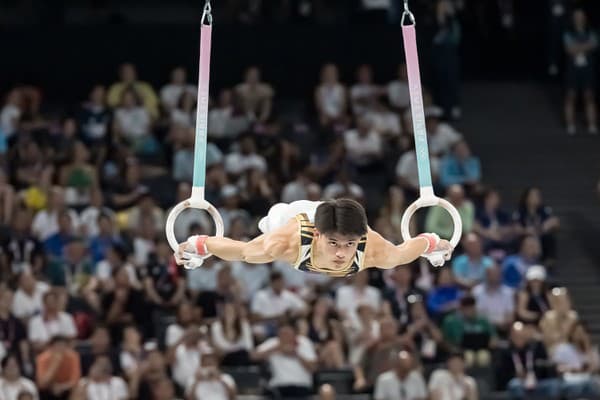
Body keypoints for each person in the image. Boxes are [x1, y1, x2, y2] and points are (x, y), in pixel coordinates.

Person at [176, 198, 454, 277]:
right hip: (292, 218)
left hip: (332, 222)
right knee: (268, 229)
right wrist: (199, 244)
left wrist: (433, 243)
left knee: (394, 259)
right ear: (318, 234)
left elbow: (407, 249)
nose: (342, 254)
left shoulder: (374, 251)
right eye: (334, 243)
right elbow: (241, 251)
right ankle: (274, 218)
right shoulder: (284, 242)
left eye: (350, 244)